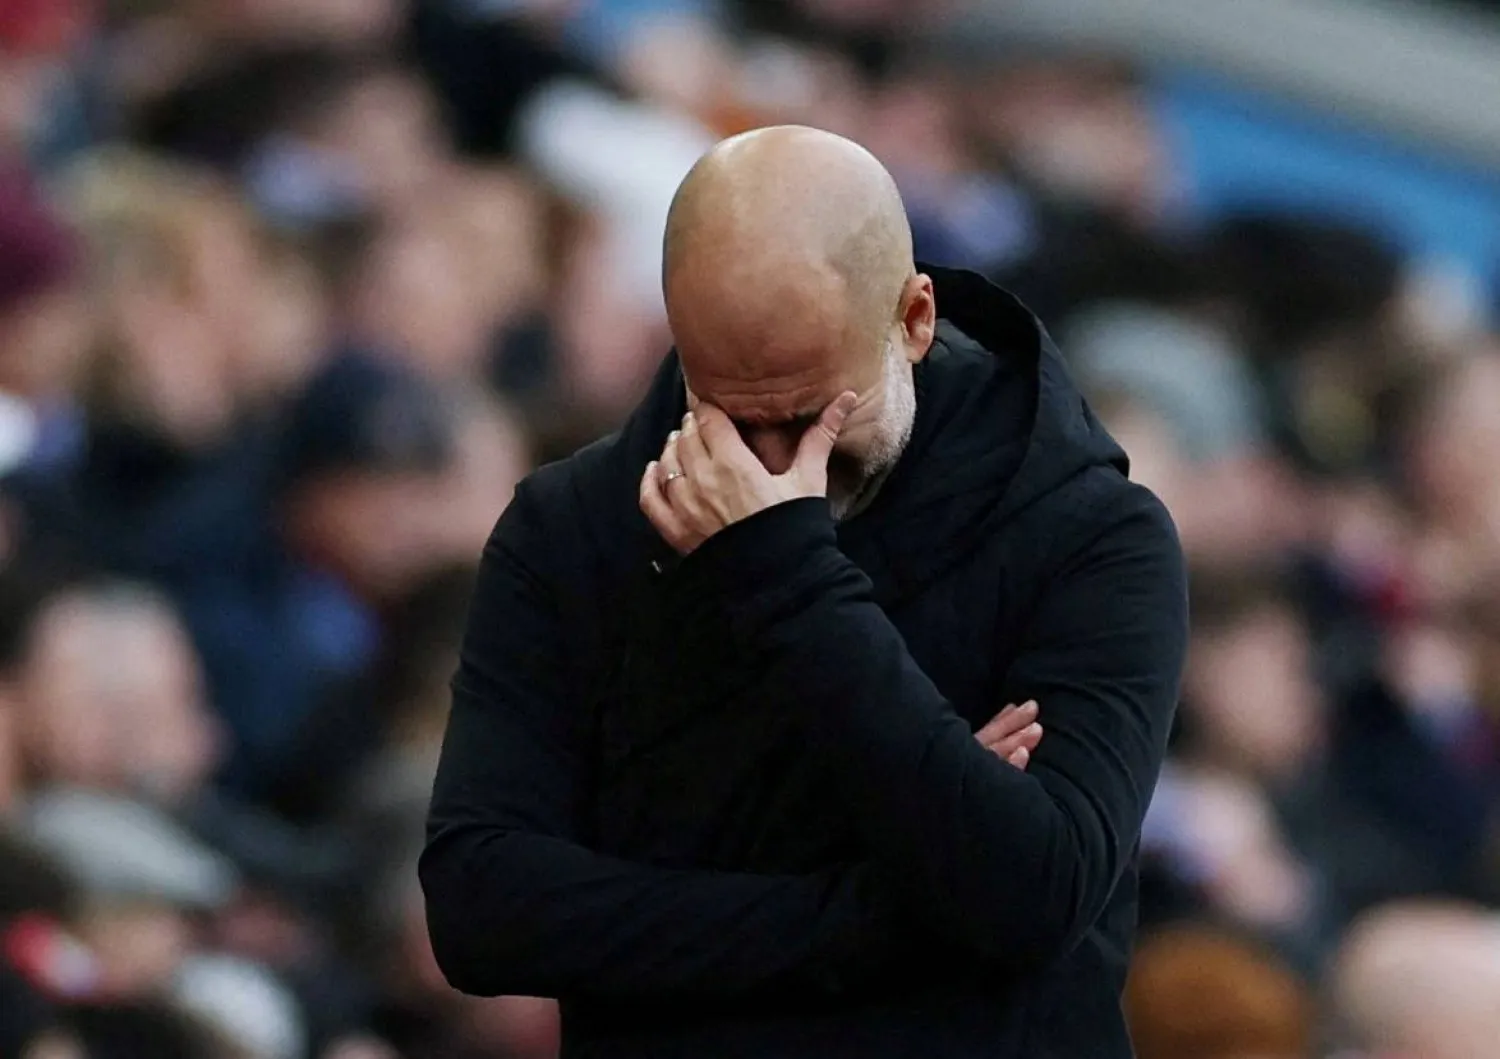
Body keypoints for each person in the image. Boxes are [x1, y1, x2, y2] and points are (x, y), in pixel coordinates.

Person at [422, 125, 1187, 1057]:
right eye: (732, 416)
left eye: (812, 416)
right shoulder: (575, 524)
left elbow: (1035, 893)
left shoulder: (1091, 535)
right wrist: (893, 909)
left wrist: (785, 574)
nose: (777, 469)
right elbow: (481, 905)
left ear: (914, 320)